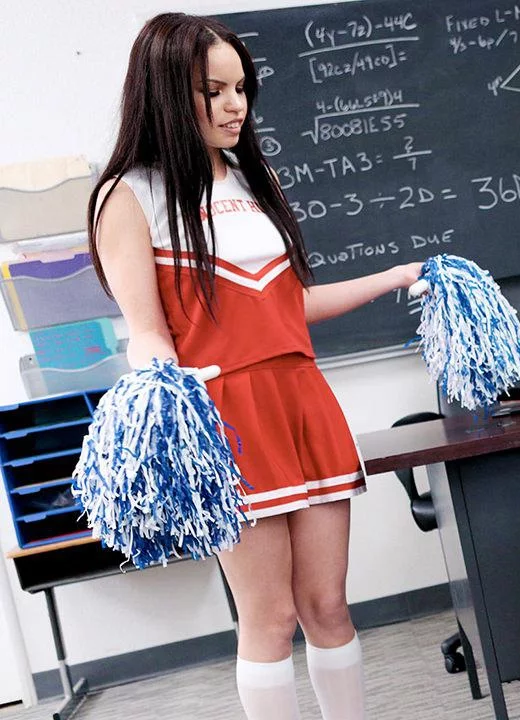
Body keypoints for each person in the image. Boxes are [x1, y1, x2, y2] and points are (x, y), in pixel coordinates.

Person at [87, 13, 422, 720]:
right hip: (226, 420)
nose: (235, 105)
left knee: (328, 605)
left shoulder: (254, 175)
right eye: (213, 91)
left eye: (241, 88)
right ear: (166, 92)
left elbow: (289, 306)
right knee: (270, 619)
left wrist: (395, 277)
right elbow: (147, 333)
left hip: (302, 399)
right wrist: (165, 406)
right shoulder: (129, 195)